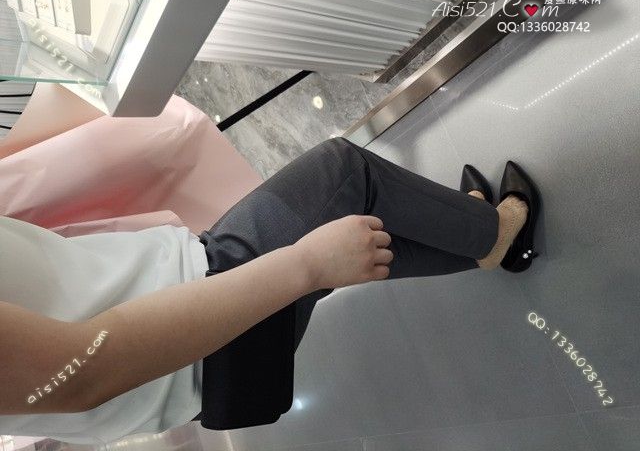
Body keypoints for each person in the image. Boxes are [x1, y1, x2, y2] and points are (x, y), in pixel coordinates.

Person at [0, 137, 540, 444]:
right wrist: (304, 266)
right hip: (192, 336)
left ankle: (466, 232)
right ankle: (493, 234)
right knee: (344, 175)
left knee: (340, 231)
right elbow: (84, 371)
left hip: (180, 326)